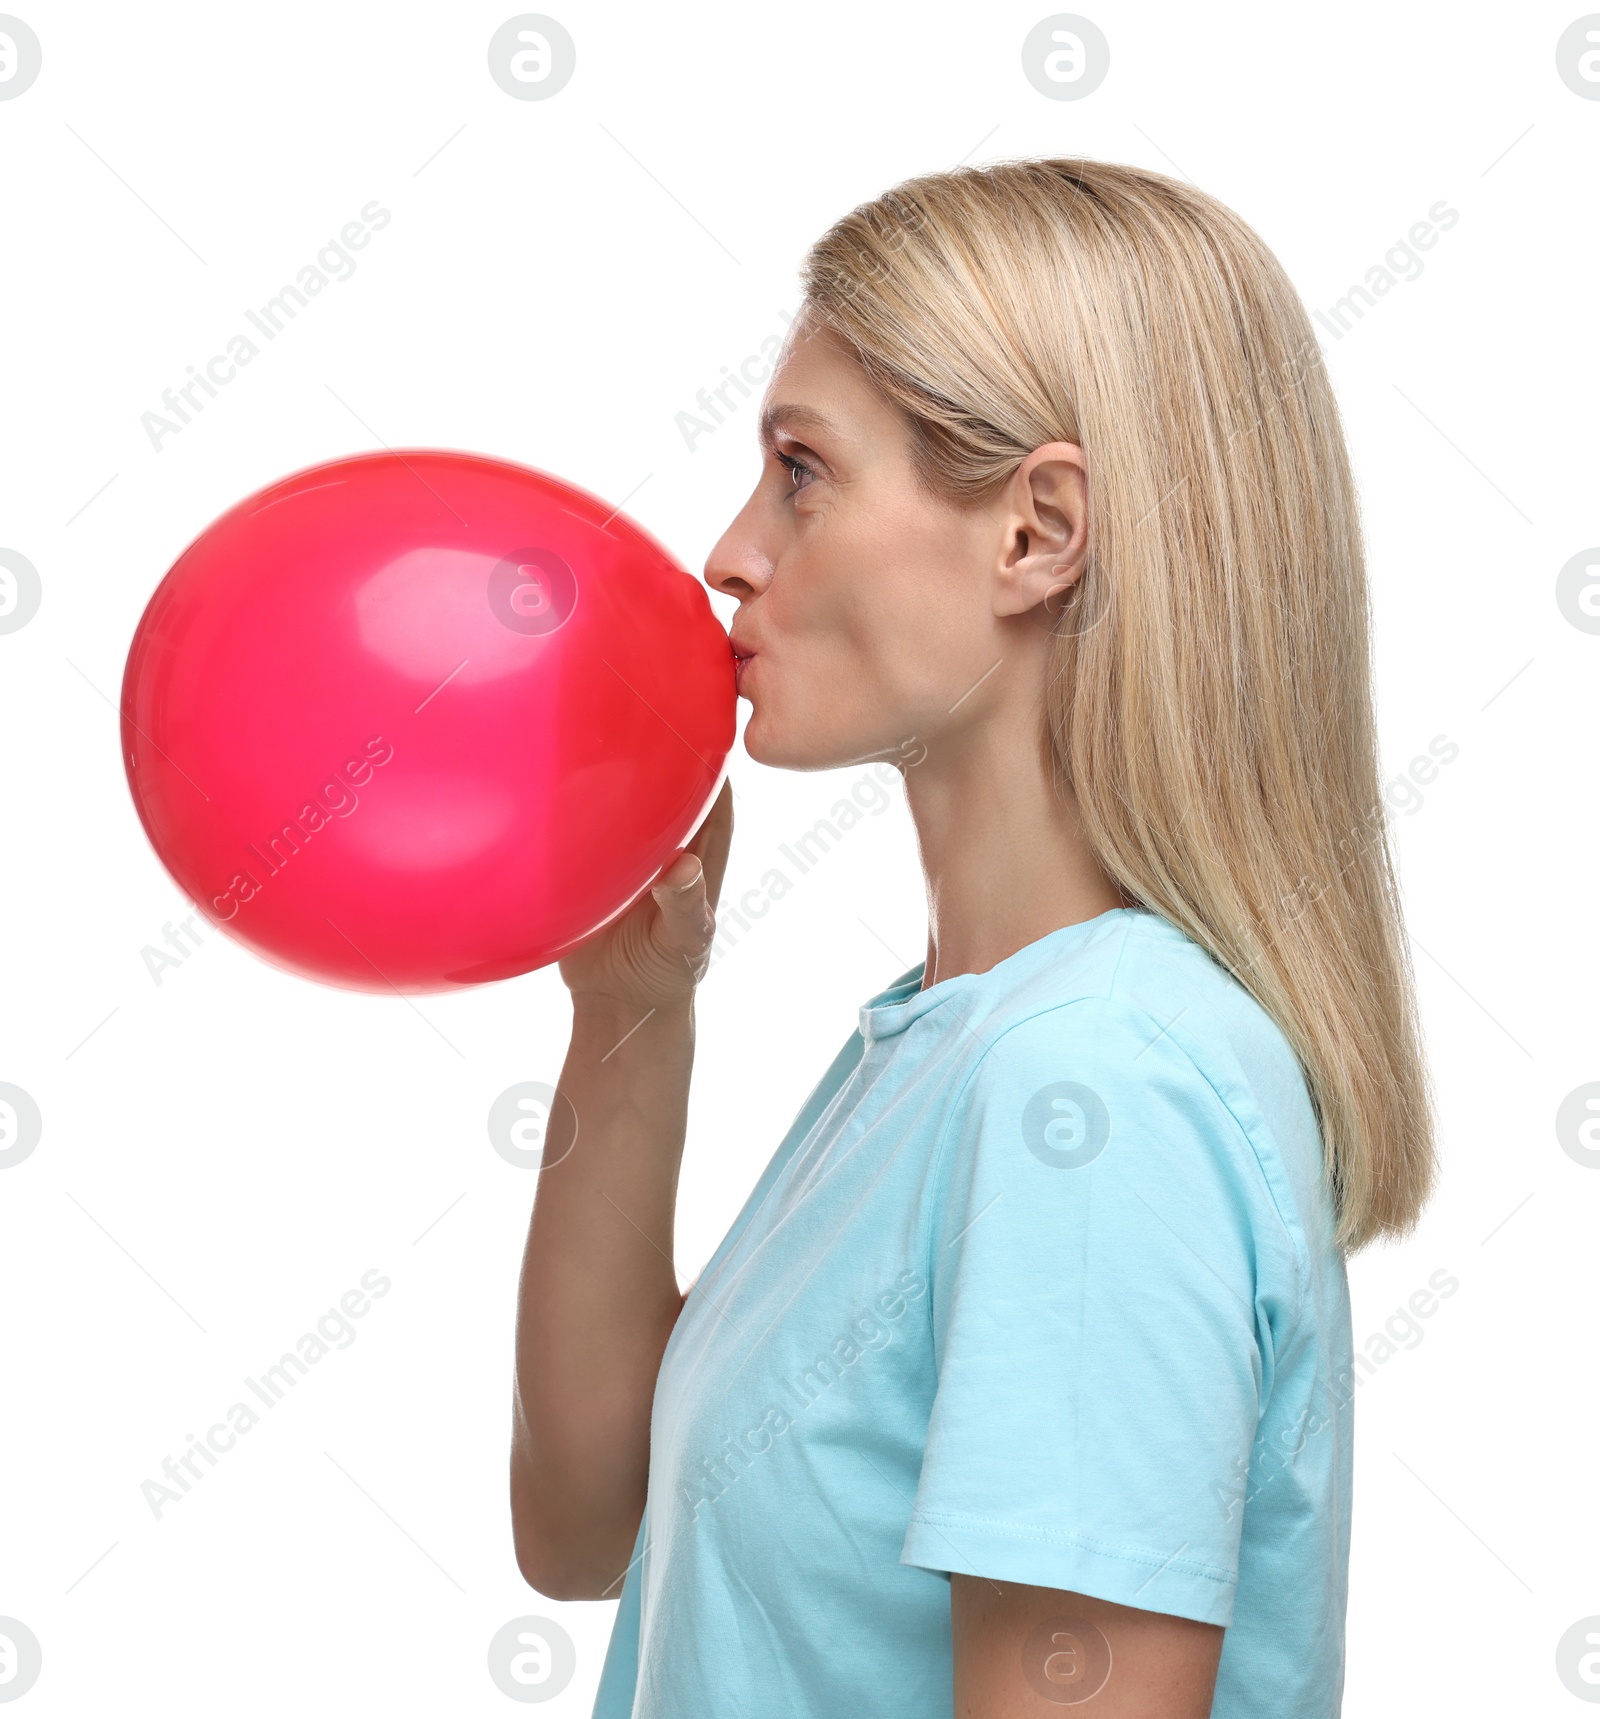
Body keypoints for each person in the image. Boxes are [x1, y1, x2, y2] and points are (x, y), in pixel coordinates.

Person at [508, 157, 1437, 1718]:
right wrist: (632, 1012)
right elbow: (586, 1527)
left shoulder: (1096, 1088)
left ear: (1037, 533)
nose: (731, 555)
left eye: (801, 471)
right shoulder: (956, 1039)